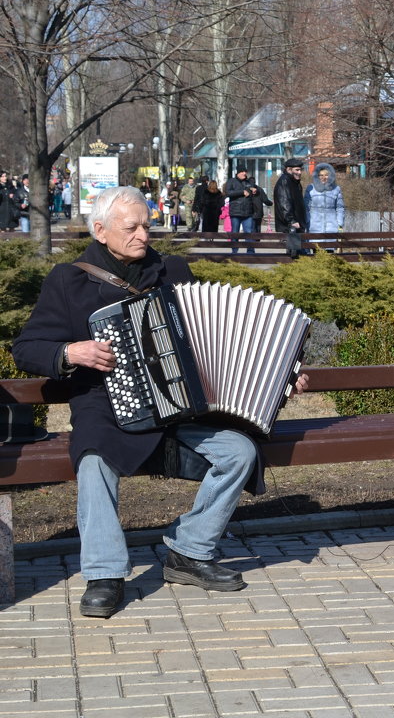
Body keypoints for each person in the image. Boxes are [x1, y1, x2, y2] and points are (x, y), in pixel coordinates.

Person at [10, 186, 307, 619]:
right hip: (107, 408)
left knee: (239, 452)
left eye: (146, 225)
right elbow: (27, 347)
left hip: (179, 409)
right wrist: (71, 353)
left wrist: (283, 374)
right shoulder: (69, 279)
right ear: (100, 230)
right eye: (131, 227)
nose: (143, 236)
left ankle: (189, 551)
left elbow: (220, 340)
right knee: (94, 461)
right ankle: (105, 574)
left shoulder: (171, 270)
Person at [273, 158, 308, 258]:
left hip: (297, 224)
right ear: (289, 169)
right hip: (292, 225)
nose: (300, 172)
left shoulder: (294, 182)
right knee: (294, 256)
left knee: (298, 255)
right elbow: (284, 203)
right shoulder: (285, 181)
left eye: (301, 169)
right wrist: (291, 220)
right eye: (297, 170)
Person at [304, 163, 345, 235]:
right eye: (321, 175)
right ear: (317, 176)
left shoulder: (336, 189)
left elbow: (340, 208)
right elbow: (306, 207)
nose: (324, 177)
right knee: (314, 245)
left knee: (330, 245)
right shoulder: (311, 188)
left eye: (326, 175)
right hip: (314, 227)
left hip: (332, 227)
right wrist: (307, 221)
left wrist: (340, 224)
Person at [224, 166, 257, 254]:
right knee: (235, 232)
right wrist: (241, 192)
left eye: (245, 171)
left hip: (247, 212)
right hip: (235, 212)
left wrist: (254, 190)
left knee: (249, 232)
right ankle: (234, 252)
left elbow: (254, 190)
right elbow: (228, 193)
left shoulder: (249, 182)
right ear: (238, 173)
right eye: (242, 171)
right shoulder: (231, 181)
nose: (244, 173)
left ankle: (250, 252)